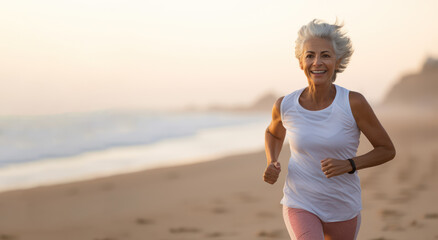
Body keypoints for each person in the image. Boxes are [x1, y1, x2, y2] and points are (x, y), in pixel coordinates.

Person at [263, 19, 396, 240]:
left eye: (325, 55)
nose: (317, 62)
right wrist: (271, 161)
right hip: (300, 201)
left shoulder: (353, 103)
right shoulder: (285, 105)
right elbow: (274, 133)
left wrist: (350, 164)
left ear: (338, 60)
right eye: (310, 55)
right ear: (300, 62)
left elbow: (387, 149)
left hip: (342, 204)